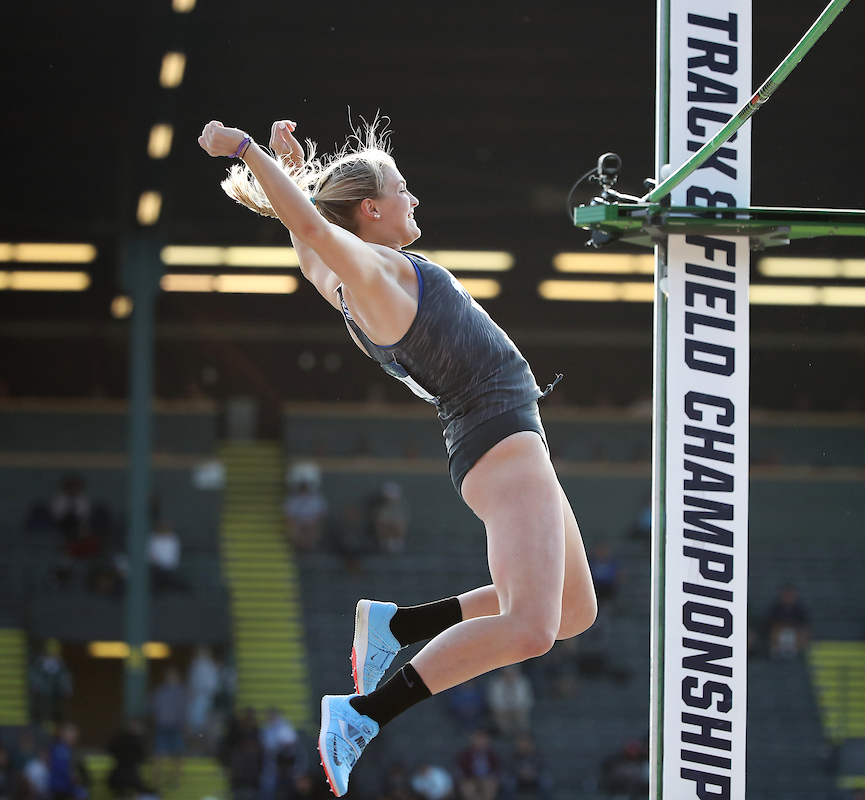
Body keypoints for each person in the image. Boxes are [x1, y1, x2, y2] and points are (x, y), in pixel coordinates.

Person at [199, 117, 597, 798]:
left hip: (499, 441)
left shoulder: (343, 281)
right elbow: (318, 231)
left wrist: (289, 175)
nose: (415, 201)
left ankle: (397, 624)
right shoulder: (374, 272)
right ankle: (362, 715)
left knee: (572, 611)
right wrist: (246, 151)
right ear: (371, 210)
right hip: (502, 445)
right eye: (403, 190)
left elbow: (308, 238)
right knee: (533, 629)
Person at [150, 667, 186, 789]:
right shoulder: (161, 692)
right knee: (159, 755)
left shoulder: (180, 692)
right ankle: (157, 783)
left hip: (174, 726)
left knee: (177, 755)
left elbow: (182, 710)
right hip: (163, 726)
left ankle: (174, 781)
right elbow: (155, 709)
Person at [28, 640, 72, 726]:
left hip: (56, 698)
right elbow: (34, 681)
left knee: (59, 711)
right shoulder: (38, 665)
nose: (52, 654)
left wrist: (64, 690)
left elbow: (66, 682)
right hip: (41, 698)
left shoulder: (62, 667)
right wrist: (41, 689)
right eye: (50, 652)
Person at [487, 665, 533, 737]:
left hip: (519, 708)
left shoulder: (522, 682)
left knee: (521, 716)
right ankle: (506, 734)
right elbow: (494, 700)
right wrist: (504, 708)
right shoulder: (496, 683)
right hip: (502, 709)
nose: (509, 676)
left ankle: (522, 735)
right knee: (501, 717)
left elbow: (527, 698)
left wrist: (518, 707)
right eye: (507, 674)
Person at [766, 584, 810, 658]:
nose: (788, 597)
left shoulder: (799, 610)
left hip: (795, 633)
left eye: (790, 595)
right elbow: (770, 623)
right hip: (779, 632)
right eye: (786, 595)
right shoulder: (775, 608)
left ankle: (794, 652)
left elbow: (804, 624)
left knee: (798, 632)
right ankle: (778, 651)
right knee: (779, 631)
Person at [454, 729, 501, 800]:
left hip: (487, 778)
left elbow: (498, 768)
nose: (481, 742)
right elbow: (460, 768)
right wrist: (463, 778)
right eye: (479, 739)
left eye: (483, 740)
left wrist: (493, 777)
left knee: (489, 786)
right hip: (470, 778)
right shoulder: (466, 754)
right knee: (468, 787)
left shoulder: (492, 754)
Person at [284, 482, 327, 552]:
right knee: (293, 528)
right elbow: (289, 515)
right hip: (297, 523)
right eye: (302, 489)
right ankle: (300, 547)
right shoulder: (293, 500)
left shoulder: (316, 500)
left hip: (312, 523)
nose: (303, 491)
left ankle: (309, 548)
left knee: (314, 529)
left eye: (305, 489)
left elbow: (321, 514)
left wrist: (313, 522)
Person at [148, 520, 186, 591]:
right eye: (162, 527)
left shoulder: (173, 539)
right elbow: (150, 554)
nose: (164, 528)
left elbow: (173, 557)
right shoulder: (153, 538)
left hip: (170, 568)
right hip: (155, 568)